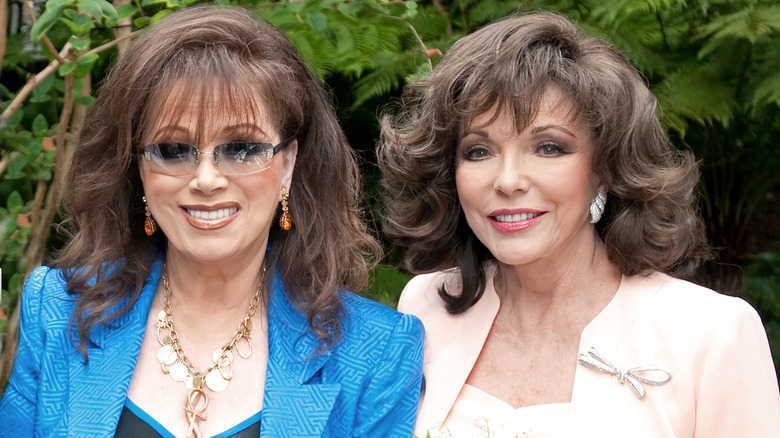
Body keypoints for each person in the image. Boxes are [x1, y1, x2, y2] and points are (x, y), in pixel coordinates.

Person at [0, 5, 423, 437]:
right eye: (174, 149)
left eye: (241, 148)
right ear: (138, 167)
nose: (206, 179)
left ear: (289, 163)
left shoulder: (374, 353)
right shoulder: (58, 312)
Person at [378, 11, 780, 438]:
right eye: (479, 151)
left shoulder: (712, 333)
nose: (508, 180)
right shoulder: (427, 305)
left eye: (548, 148)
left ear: (605, 169)